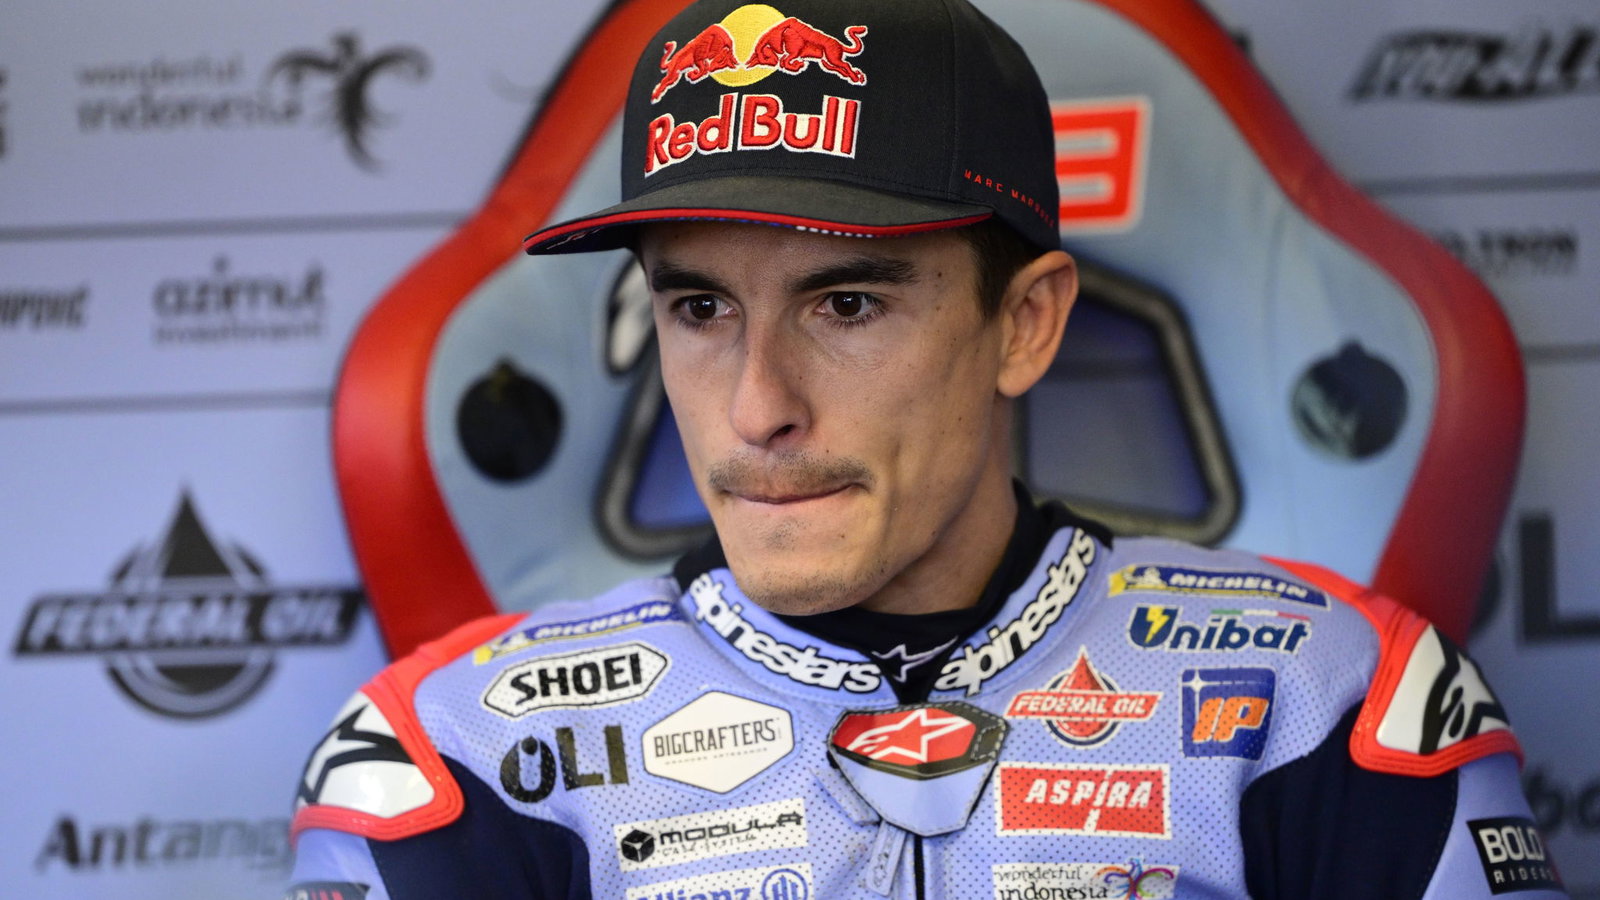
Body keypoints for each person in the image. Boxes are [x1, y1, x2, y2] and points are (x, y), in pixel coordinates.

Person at [285, 0, 1565, 897]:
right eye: (700, 308)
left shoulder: (1330, 701)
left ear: (1025, 324)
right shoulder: (453, 754)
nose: (756, 408)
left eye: (846, 304)